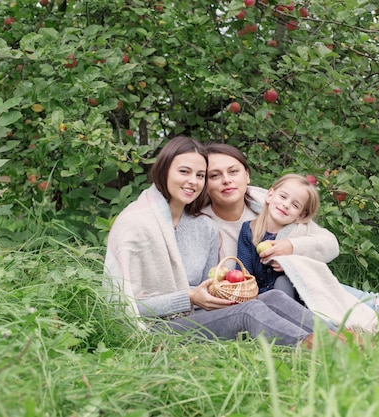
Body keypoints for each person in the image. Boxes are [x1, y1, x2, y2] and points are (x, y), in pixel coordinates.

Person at [103, 136, 339, 348]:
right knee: (250, 311)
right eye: (184, 172)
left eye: (200, 175)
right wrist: (189, 298)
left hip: (196, 315)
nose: (193, 181)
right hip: (155, 327)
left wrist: (218, 291)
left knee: (273, 297)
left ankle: (340, 336)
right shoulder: (137, 224)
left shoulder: (203, 226)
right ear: (164, 171)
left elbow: (209, 284)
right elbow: (120, 308)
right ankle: (323, 349)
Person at [203, 143, 379, 328]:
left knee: (363, 301)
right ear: (205, 182)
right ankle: (340, 331)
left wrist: (291, 247)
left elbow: (329, 243)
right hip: (258, 298)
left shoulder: (277, 201)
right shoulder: (204, 224)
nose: (226, 180)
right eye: (214, 175)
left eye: (233, 171)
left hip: (304, 284)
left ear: (247, 175)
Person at [236, 174, 320, 298]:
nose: (286, 205)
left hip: (291, 298)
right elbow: (243, 269)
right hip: (256, 297)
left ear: (300, 215)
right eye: (283, 197)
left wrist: (289, 264)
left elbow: (309, 268)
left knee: (283, 281)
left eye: (295, 205)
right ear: (270, 195)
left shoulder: (299, 236)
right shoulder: (249, 230)